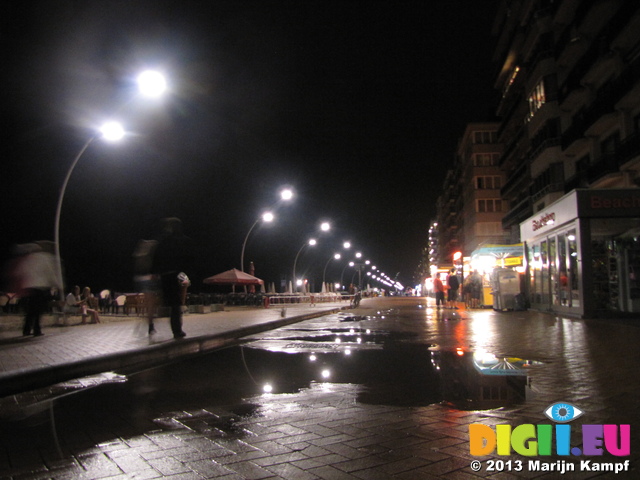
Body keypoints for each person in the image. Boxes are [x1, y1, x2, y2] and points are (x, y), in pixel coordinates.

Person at [152, 218, 193, 339]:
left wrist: (155, 272)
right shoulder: (180, 240)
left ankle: (154, 325)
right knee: (175, 304)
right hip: (174, 275)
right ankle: (177, 331)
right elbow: (186, 257)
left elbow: (156, 257)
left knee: (170, 303)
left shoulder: (161, 240)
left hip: (164, 276)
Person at [11, 241, 61, 337]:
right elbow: (50, 273)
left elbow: (23, 271)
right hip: (40, 288)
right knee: (38, 310)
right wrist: (57, 284)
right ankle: (36, 330)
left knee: (31, 310)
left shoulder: (30, 258)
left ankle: (27, 329)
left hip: (29, 287)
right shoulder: (44, 258)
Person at [133, 239, 159, 335]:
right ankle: (150, 325)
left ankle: (149, 323)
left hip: (146, 279)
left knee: (151, 304)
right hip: (145, 279)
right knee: (150, 304)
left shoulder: (142, 255)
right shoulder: (142, 255)